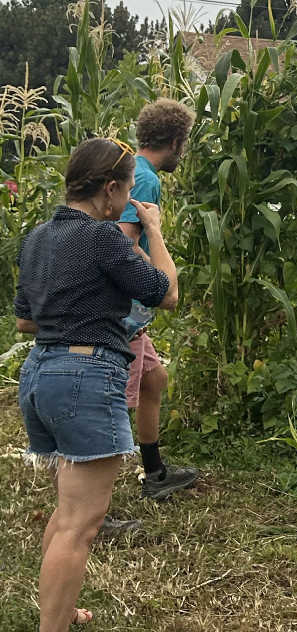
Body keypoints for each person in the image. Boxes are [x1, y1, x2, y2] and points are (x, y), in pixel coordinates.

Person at [15, 137, 179, 631]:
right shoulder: (103, 236)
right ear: (109, 190)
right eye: (127, 192)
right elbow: (166, 293)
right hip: (86, 377)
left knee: (66, 512)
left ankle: (57, 612)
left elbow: (25, 322)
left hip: (39, 373)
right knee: (80, 524)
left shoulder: (38, 237)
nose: (129, 201)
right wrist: (152, 230)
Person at [116, 99, 198, 502]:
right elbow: (124, 244)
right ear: (175, 141)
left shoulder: (127, 165)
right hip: (125, 305)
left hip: (128, 300)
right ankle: (94, 498)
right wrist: (159, 280)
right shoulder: (145, 178)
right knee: (115, 397)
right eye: (184, 145)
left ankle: (155, 472)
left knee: (155, 379)